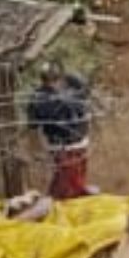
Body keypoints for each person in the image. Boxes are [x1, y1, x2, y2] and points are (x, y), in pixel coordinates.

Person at [26, 63, 95, 199]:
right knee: (69, 183)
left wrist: (35, 150)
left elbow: (33, 129)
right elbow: (85, 90)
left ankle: (68, 197)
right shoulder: (72, 93)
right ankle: (61, 201)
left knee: (69, 178)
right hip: (70, 146)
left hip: (62, 146)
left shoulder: (37, 98)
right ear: (59, 78)